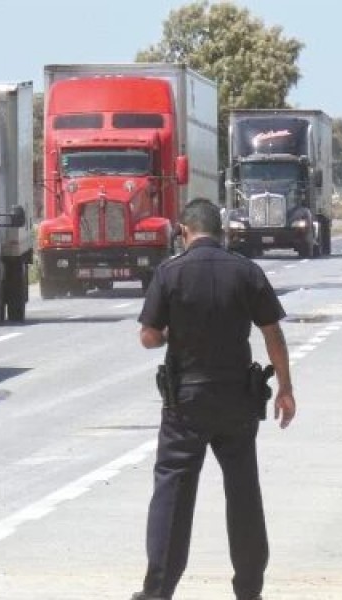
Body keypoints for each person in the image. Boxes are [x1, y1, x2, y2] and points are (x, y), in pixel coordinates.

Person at [131, 197, 296, 600]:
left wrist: (169, 336)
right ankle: (249, 591)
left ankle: (158, 591)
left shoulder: (170, 273)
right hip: (237, 400)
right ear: (221, 232)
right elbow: (272, 333)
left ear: (183, 231)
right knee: (243, 493)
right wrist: (286, 389)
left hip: (186, 402)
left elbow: (149, 336)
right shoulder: (246, 271)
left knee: (173, 492)